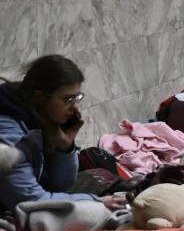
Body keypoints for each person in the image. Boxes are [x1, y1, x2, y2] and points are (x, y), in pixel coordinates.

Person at [0, 55, 126, 212]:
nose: (75, 107)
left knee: (107, 180)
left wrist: (65, 148)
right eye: (68, 100)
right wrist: (97, 202)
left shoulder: (43, 116)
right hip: (13, 208)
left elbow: (60, 185)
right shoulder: (9, 139)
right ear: (40, 97)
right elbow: (31, 201)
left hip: (34, 194)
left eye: (77, 98)